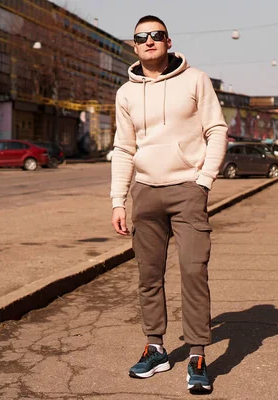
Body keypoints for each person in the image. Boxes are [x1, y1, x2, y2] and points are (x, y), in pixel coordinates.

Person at [110, 15, 228, 394]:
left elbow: (217, 130)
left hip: (187, 191)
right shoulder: (125, 93)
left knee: (193, 272)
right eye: (141, 37)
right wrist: (118, 200)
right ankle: (156, 348)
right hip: (144, 192)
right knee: (148, 275)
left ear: (168, 41)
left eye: (156, 36)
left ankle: (196, 355)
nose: (149, 41)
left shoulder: (196, 80)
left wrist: (204, 179)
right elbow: (123, 148)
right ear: (133, 46)